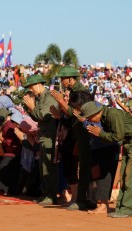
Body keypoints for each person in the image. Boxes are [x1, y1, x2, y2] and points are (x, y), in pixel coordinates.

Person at [79, 101, 132, 218]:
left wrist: (100, 133)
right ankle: (122, 207)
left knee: (131, 175)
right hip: (130, 141)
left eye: (90, 118)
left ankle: (127, 209)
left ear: (96, 113)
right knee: (124, 175)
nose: (90, 121)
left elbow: (117, 136)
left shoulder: (112, 115)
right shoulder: (106, 116)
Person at [51, 66, 93, 211]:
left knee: (84, 166)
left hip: (81, 133)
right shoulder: (74, 91)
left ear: (70, 78)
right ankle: (77, 197)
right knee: (71, 166)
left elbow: (77, 113)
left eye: (63, 79)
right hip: (73, 132)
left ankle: (83, 199)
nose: (61, 82)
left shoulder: (81, 92)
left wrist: (62, 103)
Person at [23, 74, 59, 205]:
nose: (30, 90)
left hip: (50, 136)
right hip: (44, 136)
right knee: (42, 167)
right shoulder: (40, 98)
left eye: (31, 86)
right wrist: (31, 108)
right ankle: (46, 194)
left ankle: (51, 195)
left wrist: (32, 107)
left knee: (48, 167)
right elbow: (36, 117)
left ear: (38, 84)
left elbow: (43, 115)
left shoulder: (48, 97)